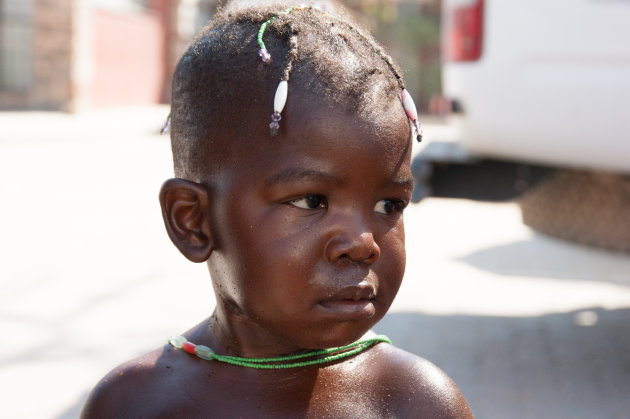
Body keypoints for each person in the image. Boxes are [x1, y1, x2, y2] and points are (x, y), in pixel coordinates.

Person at [81, 1, 473, 417]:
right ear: (192, 221)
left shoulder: (419, 403)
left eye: (387, 204)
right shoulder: (136, 405)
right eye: (311, 201)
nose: (363, 244)